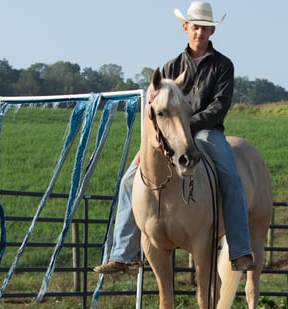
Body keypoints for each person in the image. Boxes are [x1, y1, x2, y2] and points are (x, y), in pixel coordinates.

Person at [94, 1, 255, 274]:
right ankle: (123, 254)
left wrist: (185, 126)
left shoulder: (223, 66)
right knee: (128, 181)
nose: (199, 32)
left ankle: (239, 249)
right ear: (185, 28)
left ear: (212, 31)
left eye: (205, 28)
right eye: (195, 27)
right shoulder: (170, 67)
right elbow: (155, 113)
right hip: (169, 136)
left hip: (207, 131)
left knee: (230, 174)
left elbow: (219, 106)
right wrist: (154, 143)